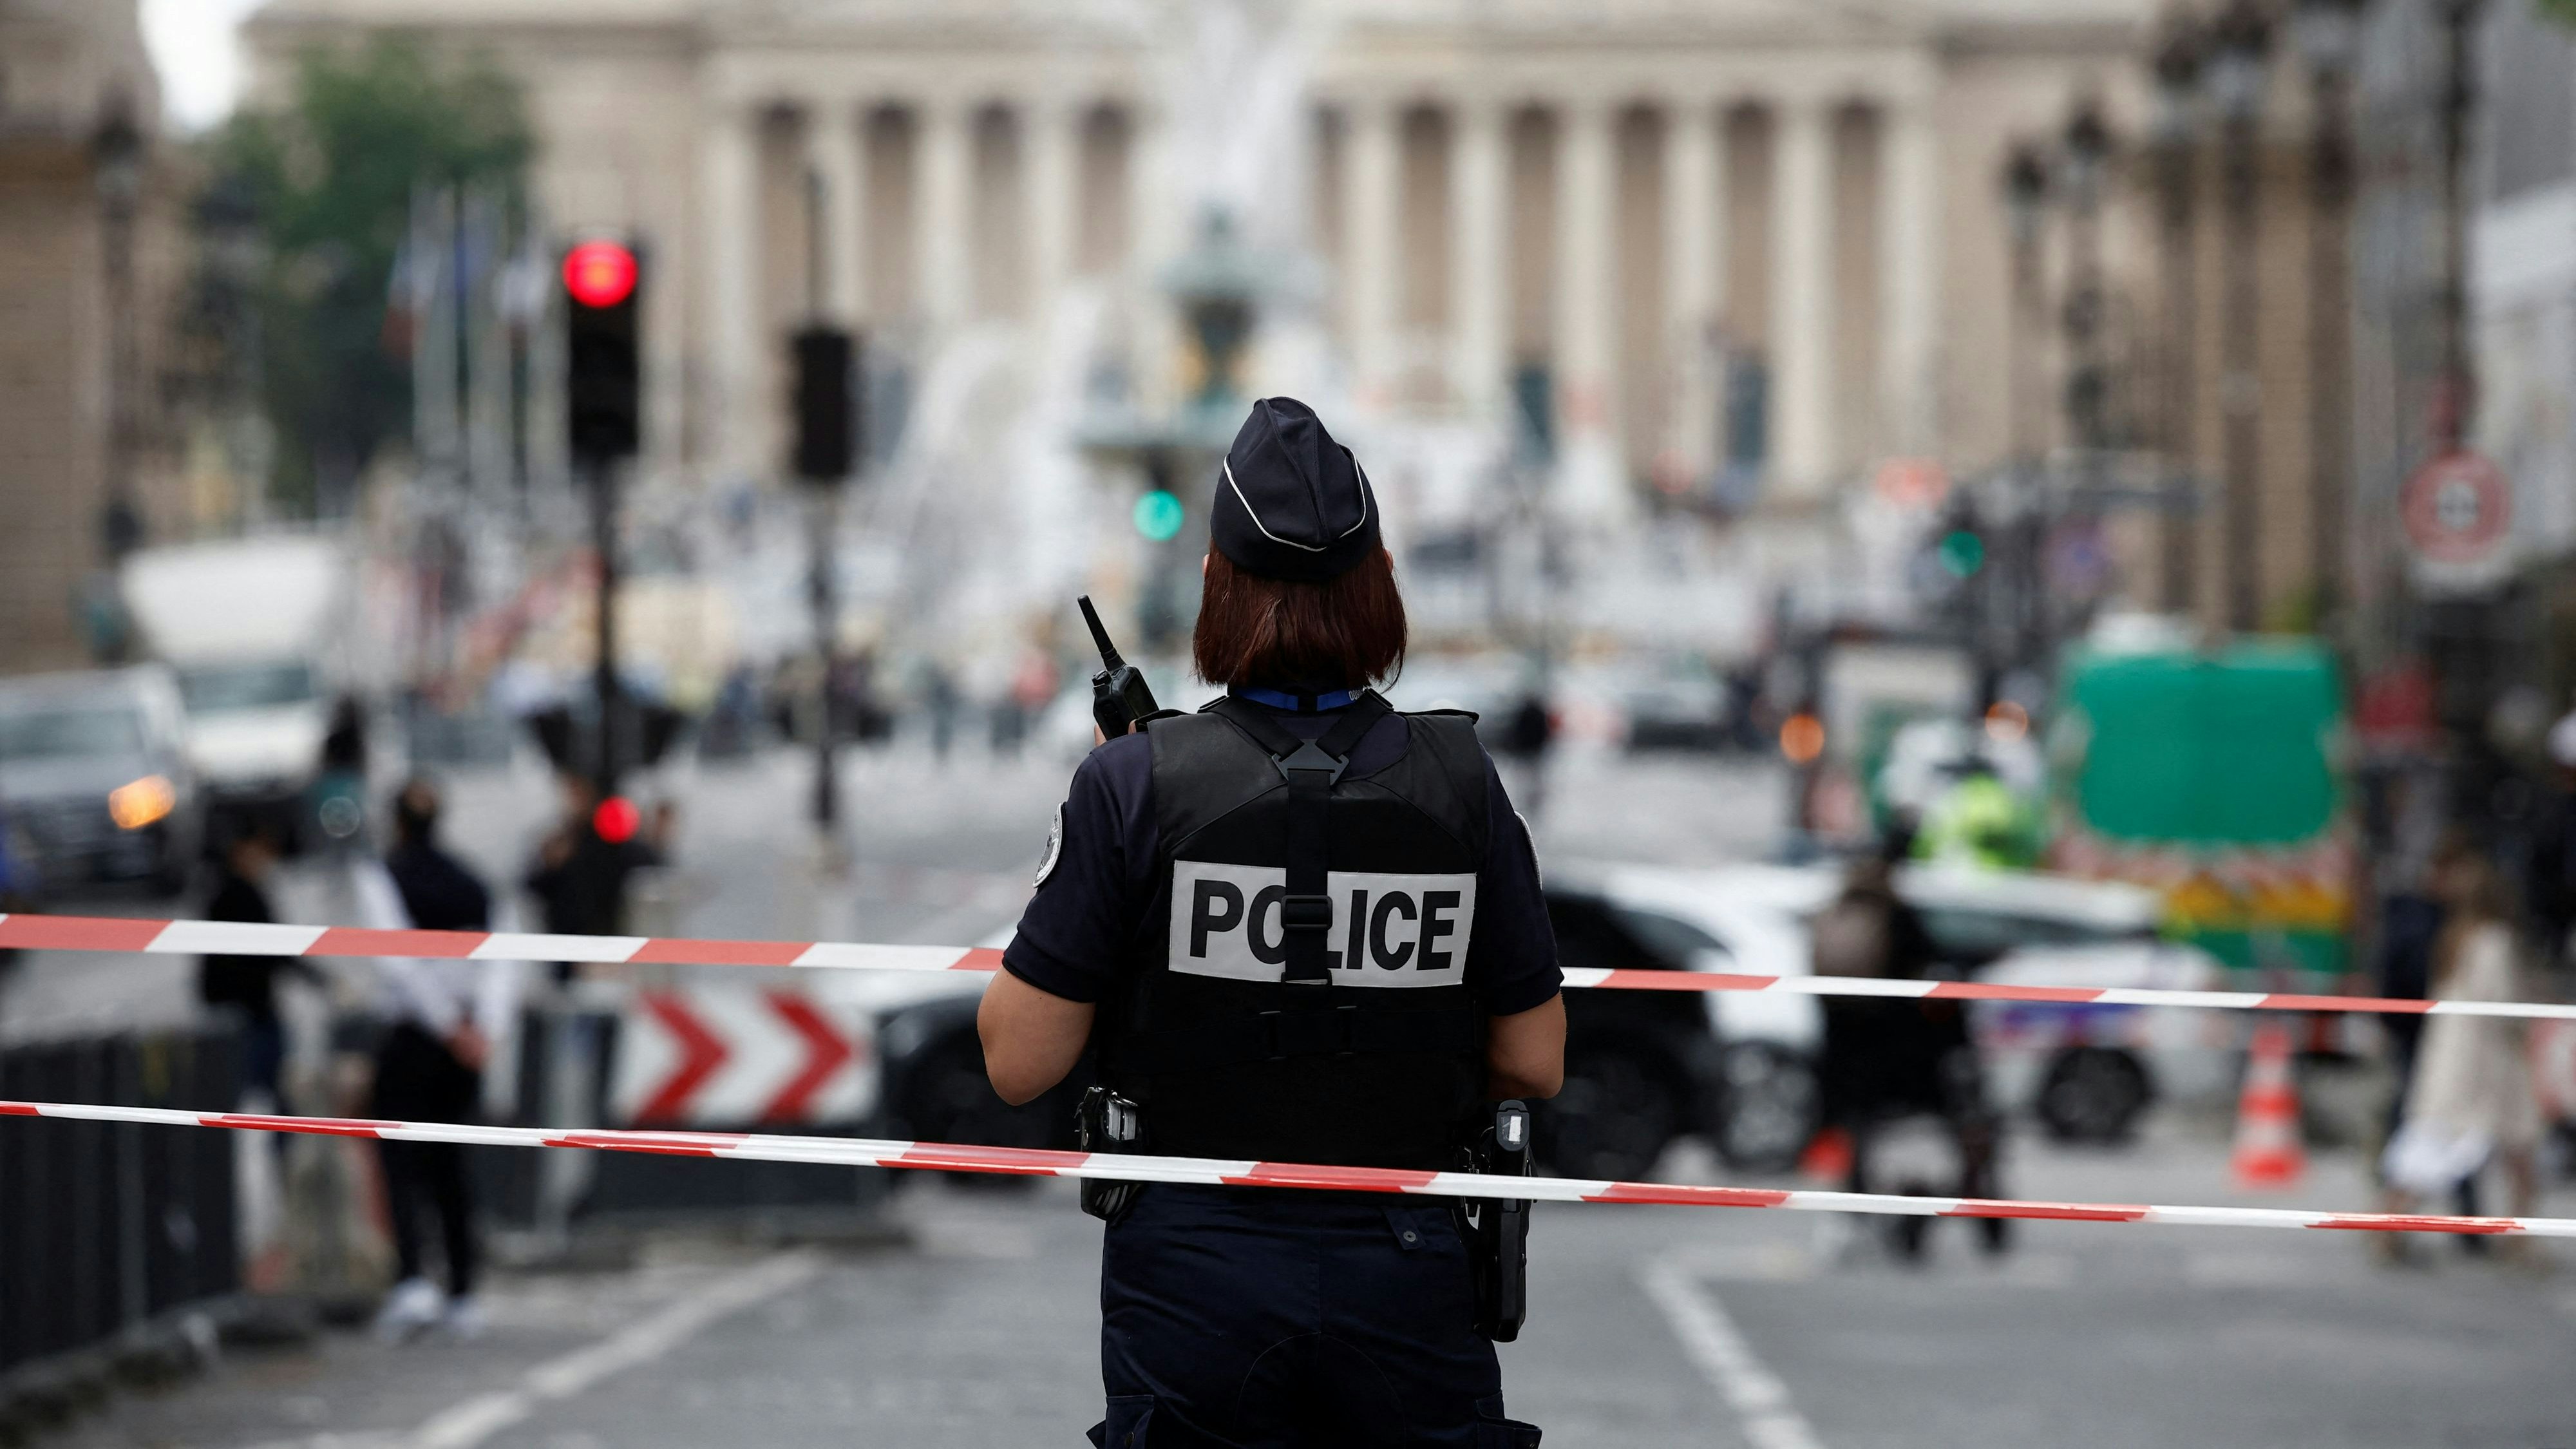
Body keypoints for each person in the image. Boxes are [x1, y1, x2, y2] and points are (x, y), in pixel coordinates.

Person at [980, 397, 1562, 1448]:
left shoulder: (1134, 784)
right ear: (1382, 584)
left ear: (1216, 582)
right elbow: (1535, 1058)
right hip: (1409, 1264)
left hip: (1193, 1277)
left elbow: (1019, 1060)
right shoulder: (1463, 783)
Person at [358, 779, 520, 1340]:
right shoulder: (474, 881)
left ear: (396, 822)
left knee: (401, 1162)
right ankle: (462, 1291)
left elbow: (397, 962)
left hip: (415, 1039)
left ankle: (414, 1282)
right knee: (452, 1166)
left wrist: (449, 1028)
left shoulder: (383, 876)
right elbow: (504, 958)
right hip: (466, 1043)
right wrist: (483, 1031)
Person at [1810, 835, 2006, 1259]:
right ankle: (1985, 1221)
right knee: (1969, 1134)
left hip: (1849, 1063)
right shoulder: (1901, 921)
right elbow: (1933, 990)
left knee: (1858, 1141)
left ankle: (1852, 1222)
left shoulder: (1832, 918)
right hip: (1911, 1061)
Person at [2378, 836, 2549, 1269]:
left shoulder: (2455, 938)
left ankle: (2516, 1240)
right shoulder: (2493, 941)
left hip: (2458, 1061)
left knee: (2494, 1153)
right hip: (2485, 1066)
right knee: (2445, 1152)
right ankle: (2391, 1228)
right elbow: (2504, 1008)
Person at [197, 825, 316, 1111]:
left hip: (246, 1008)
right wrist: (320, 981)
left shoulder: (232, 892)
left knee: (261, 1086)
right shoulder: (237, 896)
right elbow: (276, 949)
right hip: (247, 1011)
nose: (265, 862)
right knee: (262, 1087)